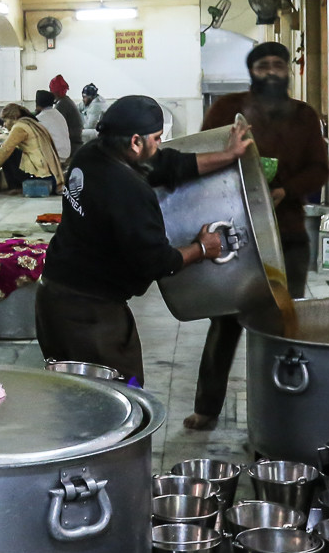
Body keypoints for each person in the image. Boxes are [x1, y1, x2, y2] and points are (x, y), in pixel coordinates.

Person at [36, 95, 251, 385]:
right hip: (88, 315)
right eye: (158, 138)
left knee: (72, 396)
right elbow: (157, 261)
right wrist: (202, 248)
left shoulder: (92, 154)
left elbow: (168, 164)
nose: (160, 145)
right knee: (120, 398)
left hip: (52, 298)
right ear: (136, 141)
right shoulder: (129, 192)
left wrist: (229, 156)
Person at [187, 41, 329, 430]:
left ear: (288, 71)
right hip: (234, 233)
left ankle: (282, 406)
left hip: (287, 234)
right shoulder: (226, 111)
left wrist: (285, 191)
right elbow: (203, 155)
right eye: (263, 65)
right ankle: (207, 407)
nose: (270, 72)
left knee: (284, 321)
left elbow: (320, 171)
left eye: (277, 65)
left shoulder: (303, 116)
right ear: (252, 72)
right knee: (225, 318)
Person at [0, 103, 64, 191]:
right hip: (51, 175)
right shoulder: (31, 122)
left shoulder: (19, 127)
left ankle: (16, 187)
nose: (4, 124)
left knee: (9, 153)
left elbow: (5, 149)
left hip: (41, 176)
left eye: (5, 120)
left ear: (14, 118)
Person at [50, 75, 84, 157]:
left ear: (55, 91)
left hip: (72, 144)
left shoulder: (62, 104)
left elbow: (57, 127)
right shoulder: (66, 100)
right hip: (75, 140)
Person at [35, 90, 71, 162]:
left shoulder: (41, 118)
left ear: (37, 104)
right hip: (66, 153)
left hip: (56, 156)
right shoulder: (57, 113)